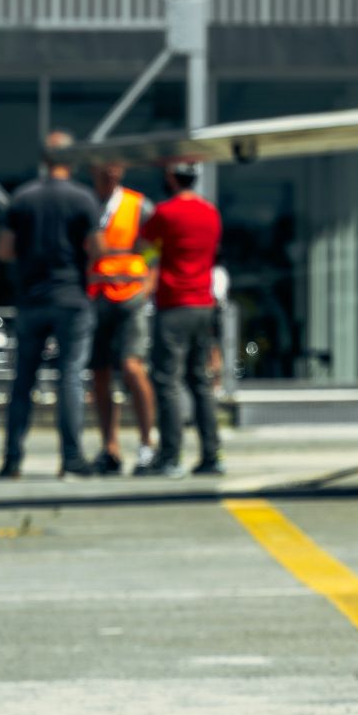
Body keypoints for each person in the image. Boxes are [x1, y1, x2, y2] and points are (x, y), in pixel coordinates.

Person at [0, 132, 101, 479]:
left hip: (31, 299)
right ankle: (71, 460)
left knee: (23, 380)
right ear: (70, 160)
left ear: (44, 159)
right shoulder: (83, 199)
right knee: (70, 377)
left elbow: (4, 251)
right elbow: (96, 250)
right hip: (71, 298)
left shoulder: (22, 198)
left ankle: (12, 459)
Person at [141, 162, 223, 478]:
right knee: (200, 382)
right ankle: (211, 455)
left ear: (171, 178)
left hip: (174, 304)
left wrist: (153, 261)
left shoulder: (166, 212)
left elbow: (144, 248)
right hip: (204, 304)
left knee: (166, 381)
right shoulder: (210, 213)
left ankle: (171, 457)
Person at [86, 159, 159, 476]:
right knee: (99, 374)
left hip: (130, 295)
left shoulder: (138, 205)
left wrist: (149, 284)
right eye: (104, 165)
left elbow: (154, 248)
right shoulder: (85, 204)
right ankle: (110, 447)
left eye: (115, 165)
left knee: (132, 368)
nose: (110, 170)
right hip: (96, 296)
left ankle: (147, 444)